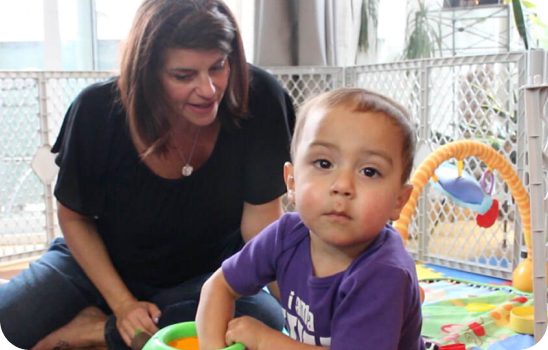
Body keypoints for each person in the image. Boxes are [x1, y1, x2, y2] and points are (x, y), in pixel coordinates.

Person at [0, 0, 295, 349]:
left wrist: (304, 309)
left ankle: (97, 333)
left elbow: (261, 226)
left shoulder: (259, 97)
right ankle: (128, 329)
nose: (209, 89)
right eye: (183, 75)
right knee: (17, 313)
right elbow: (74, 218)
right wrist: (123, 305)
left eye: (218, 66)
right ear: (147, 72)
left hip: (205, 273)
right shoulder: (96, 110)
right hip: (105, 260)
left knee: (265, 320)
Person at [196, 88, 425, 350]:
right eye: (324, 164)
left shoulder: (384, 273)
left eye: (369, 171)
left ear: (399, 200)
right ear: (291, 182)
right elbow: (219, 286)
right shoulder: (286, 235)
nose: (342, 185)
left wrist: (265, 341)